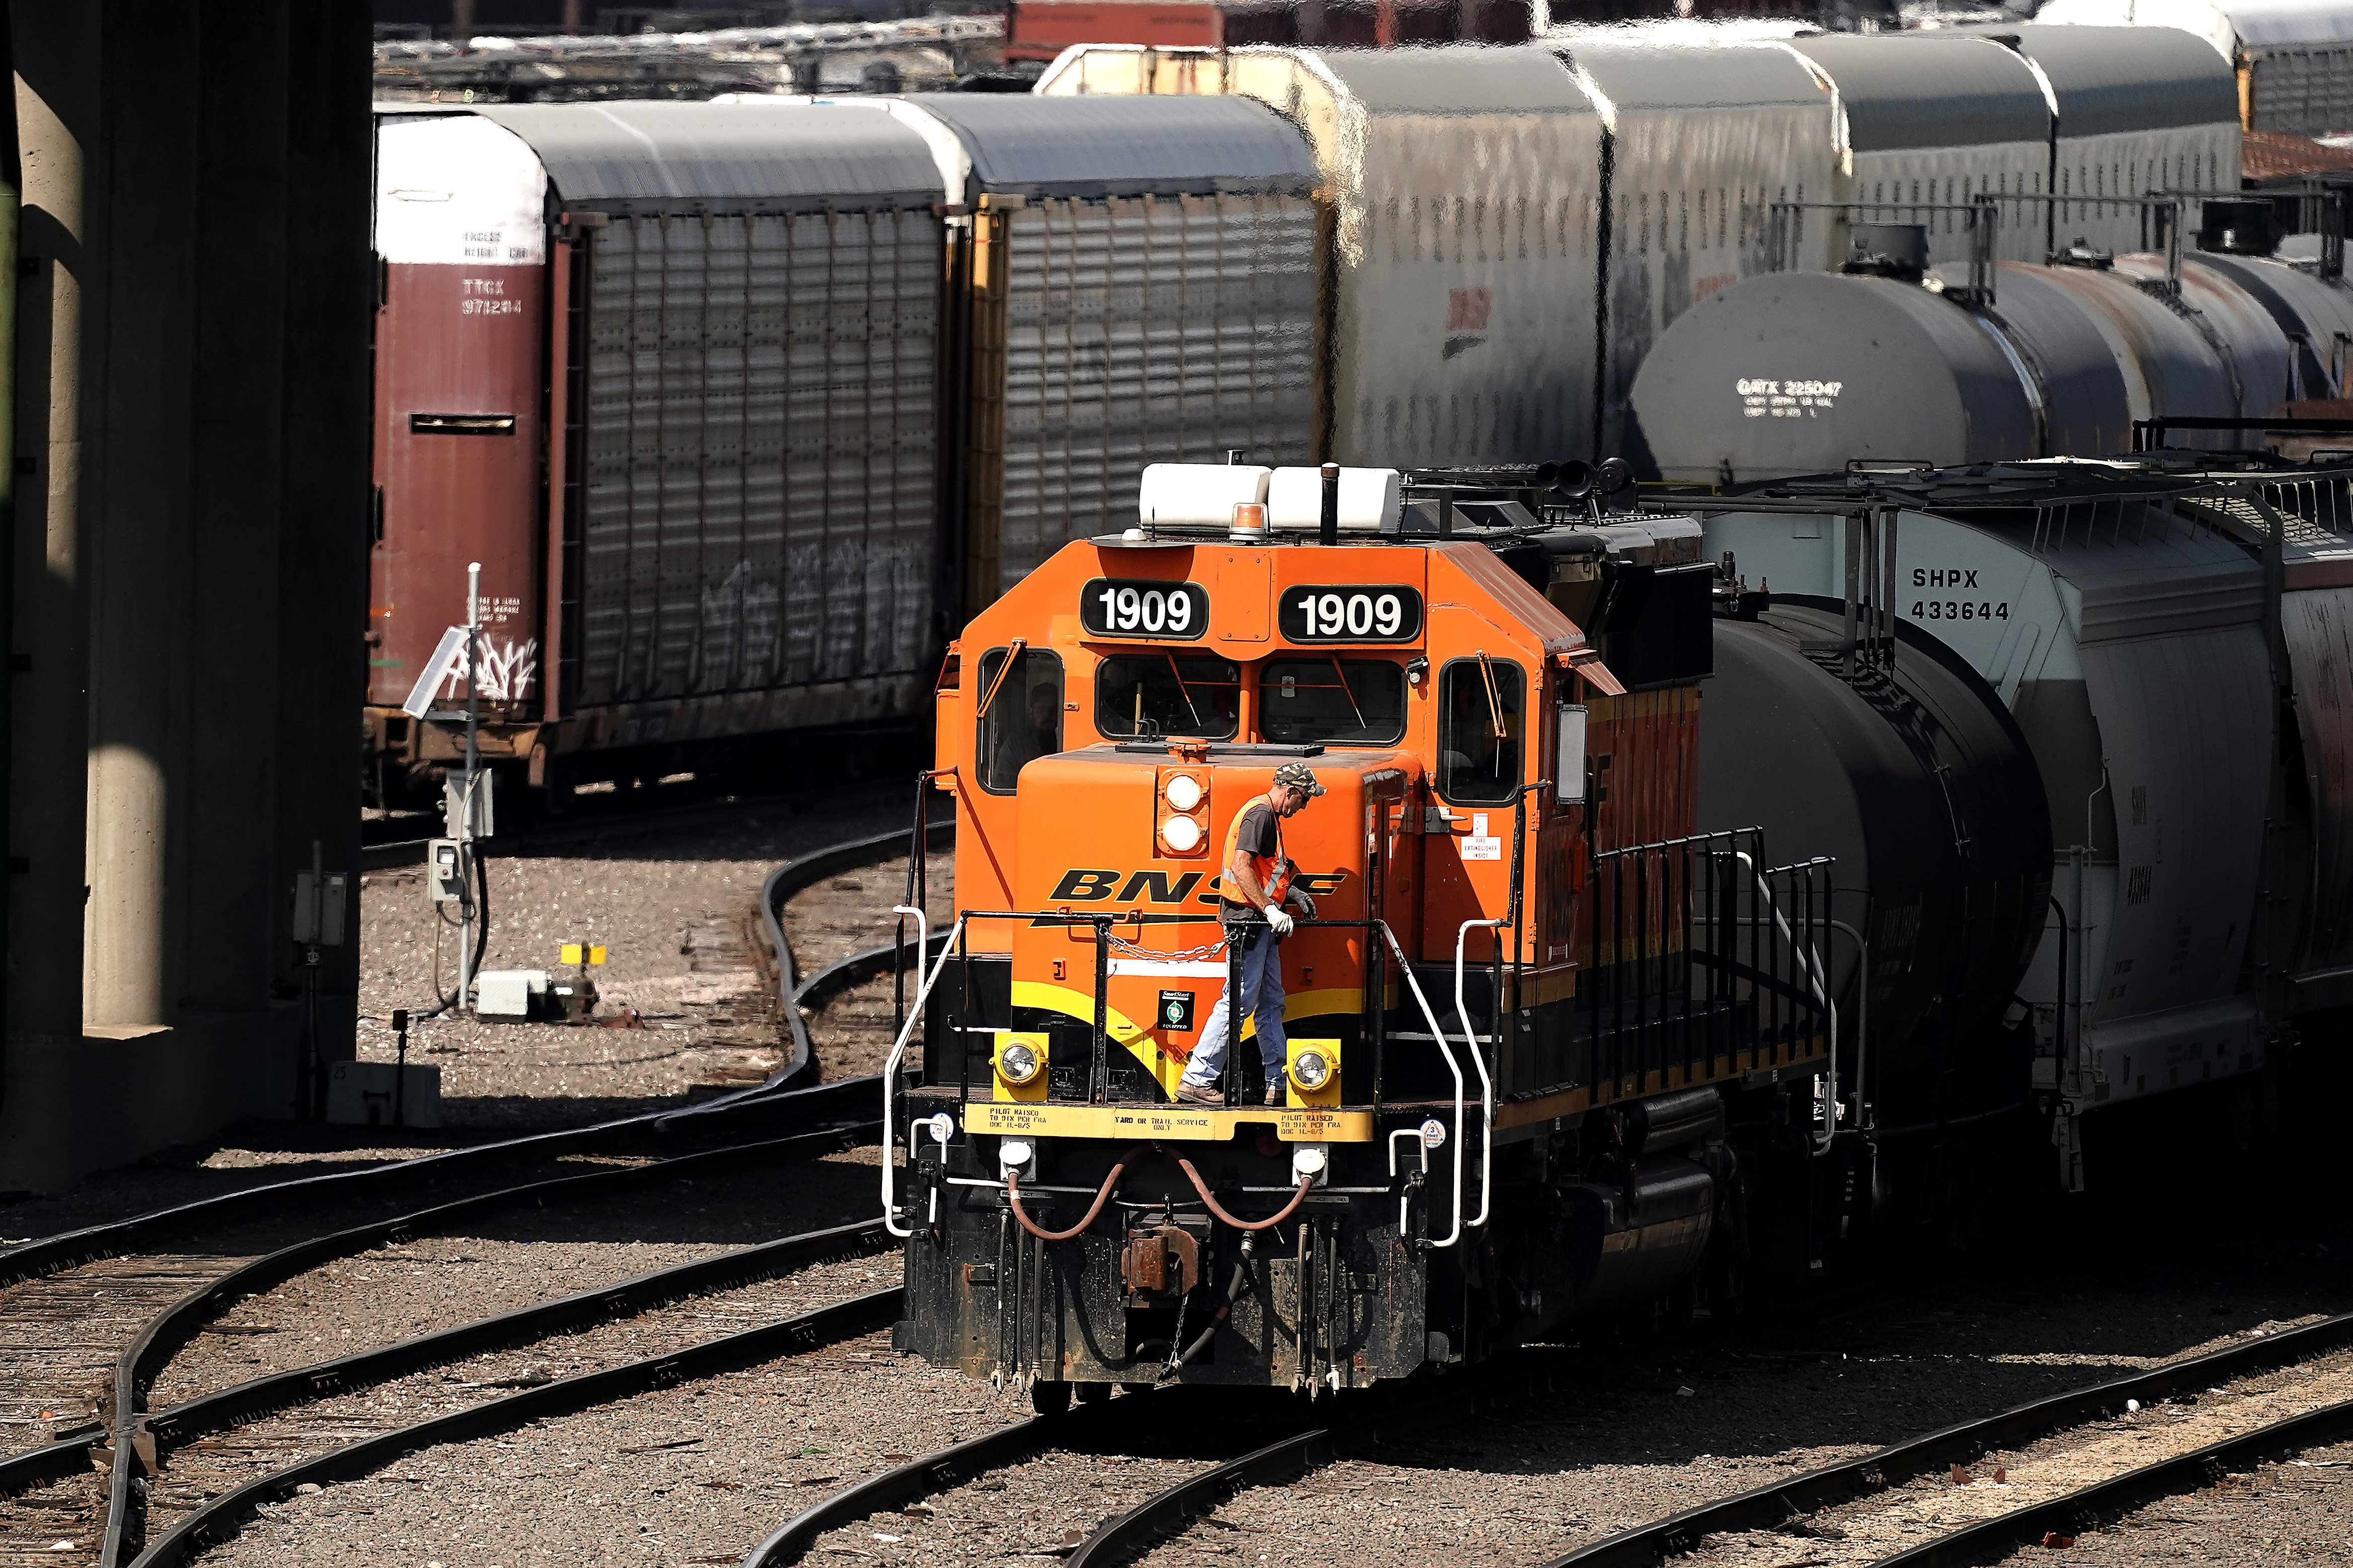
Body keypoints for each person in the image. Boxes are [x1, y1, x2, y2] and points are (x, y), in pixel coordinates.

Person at [1177, 762, 1324, 1106]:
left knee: (1271, 1001)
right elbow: (1242, 865)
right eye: (1302, 800)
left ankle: (1278, 1082)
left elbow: (1265, 872)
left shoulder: (1266, 816)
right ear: (1289, 791)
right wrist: (1270, 909)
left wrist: (1290, 896)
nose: (1302, 807)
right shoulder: (1260, 815)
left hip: (1258, 922)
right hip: (1249, 921)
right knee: (1238, 1001)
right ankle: (1196, 1080)